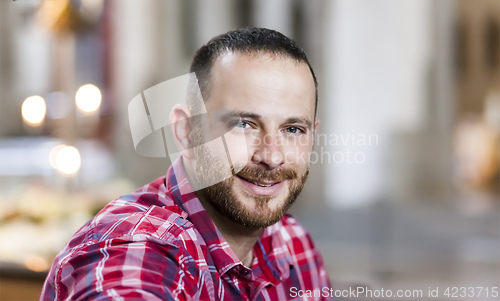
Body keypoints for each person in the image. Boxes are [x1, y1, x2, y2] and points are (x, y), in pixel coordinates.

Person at [40, 27, 332, 300]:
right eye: (243, 124)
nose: (271, 156)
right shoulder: (133, 252)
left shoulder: (294, 243)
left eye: (293, 129)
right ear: (187, 132)